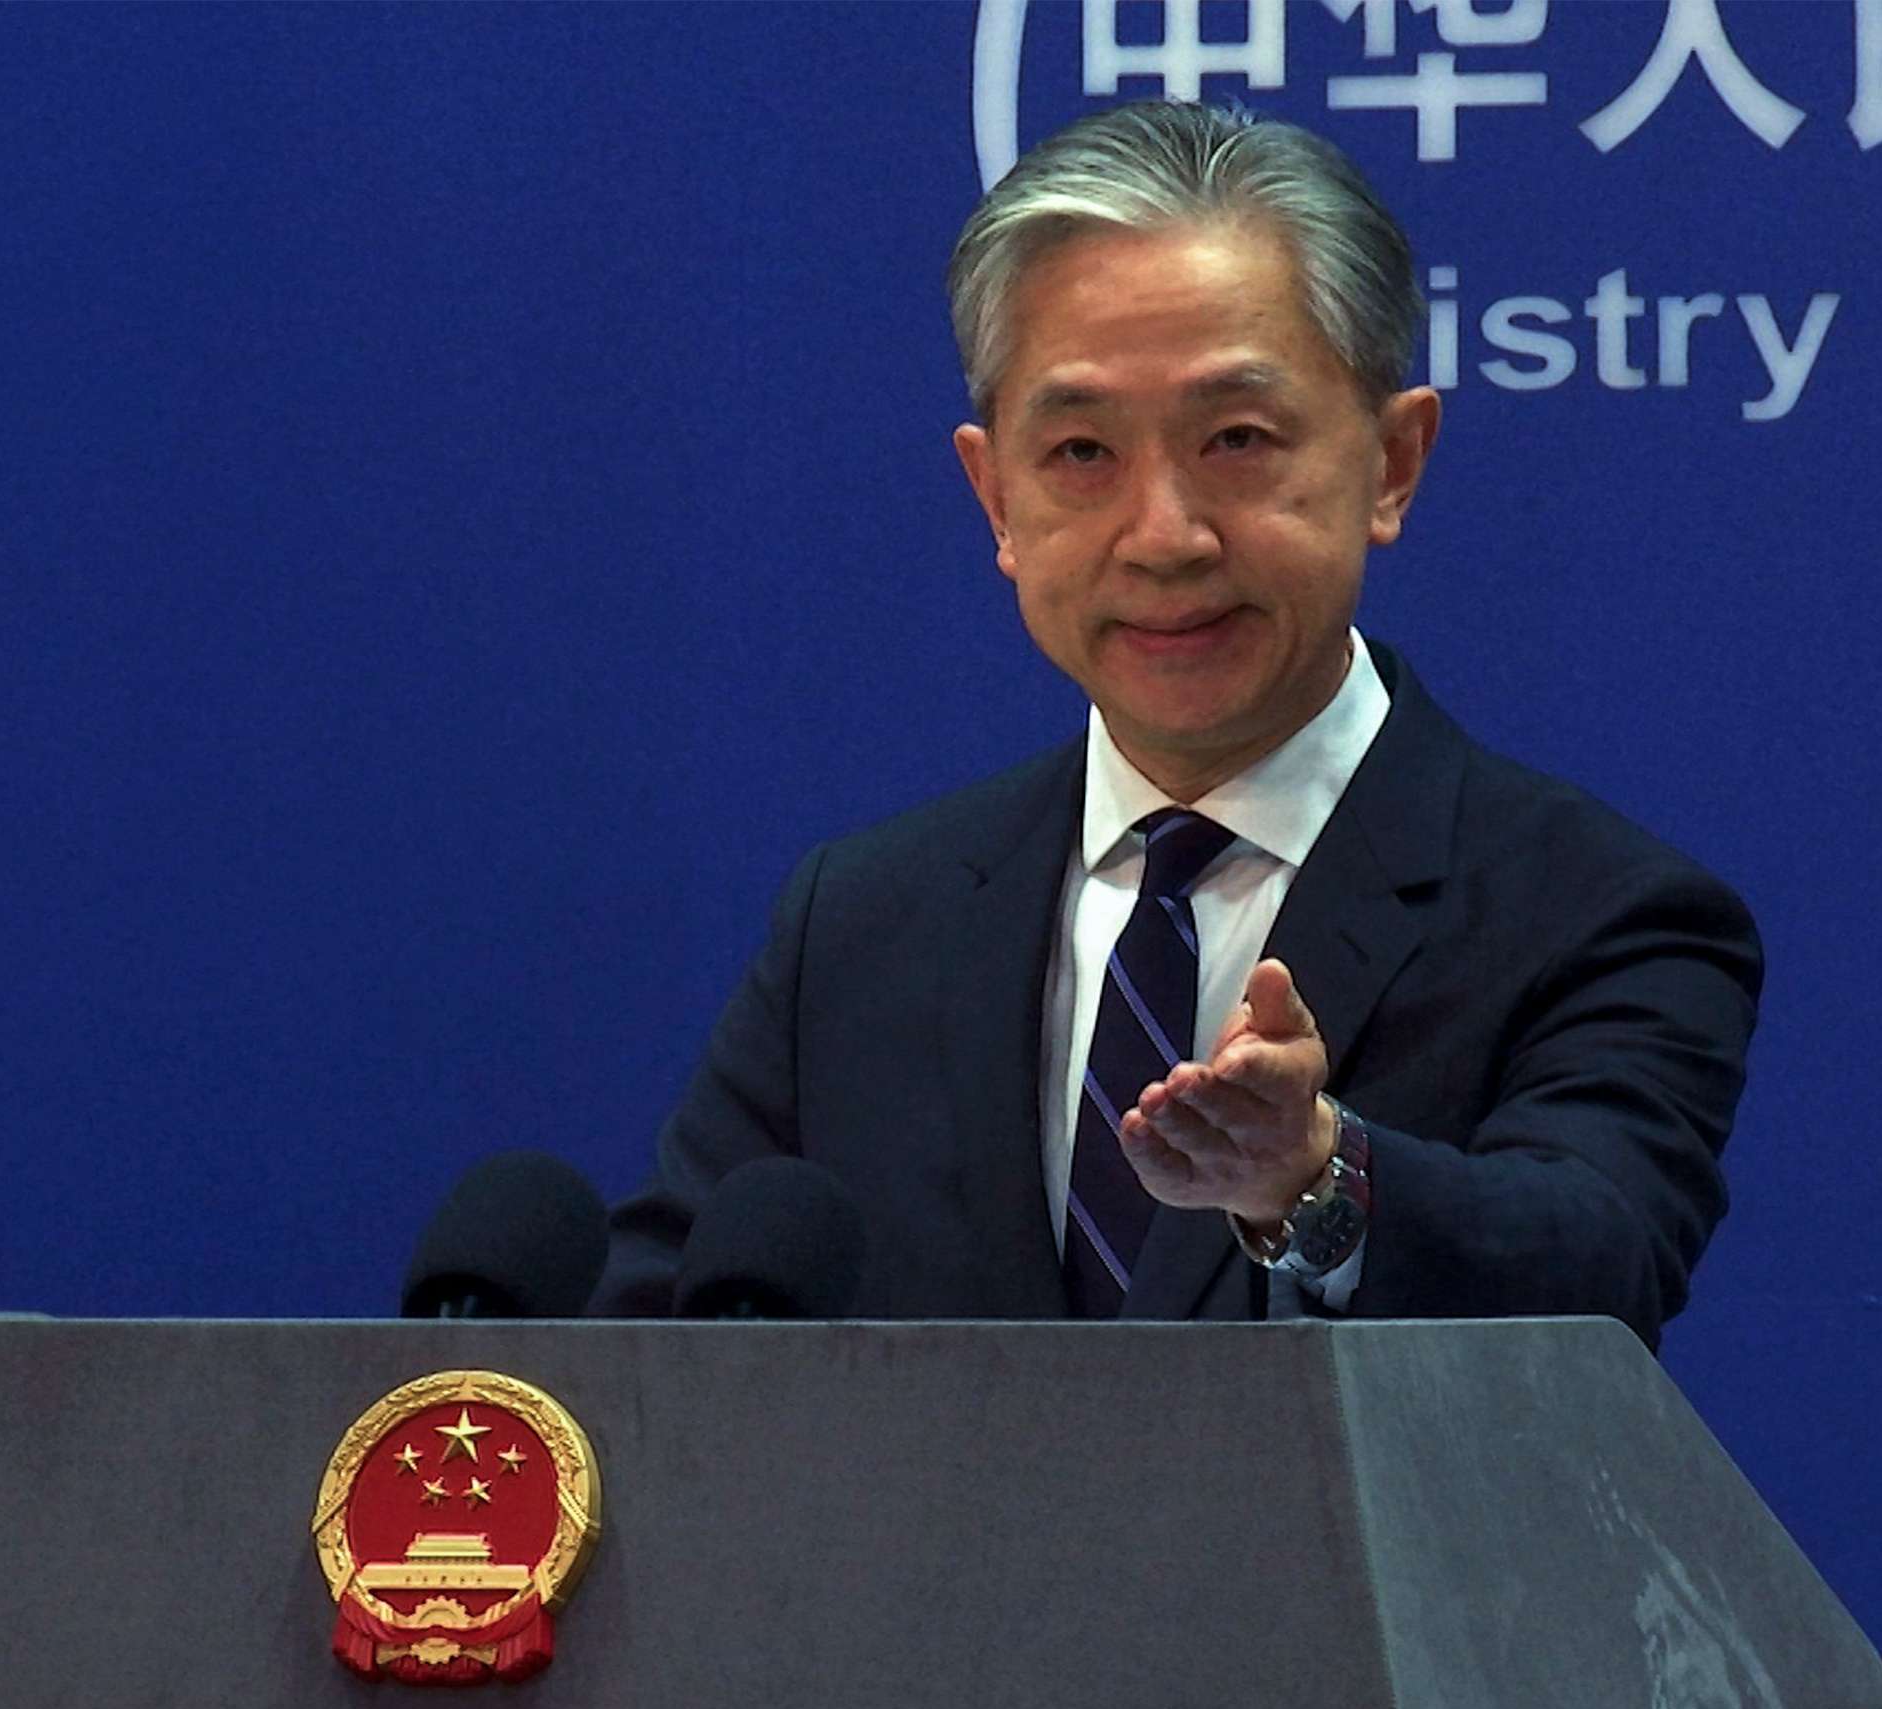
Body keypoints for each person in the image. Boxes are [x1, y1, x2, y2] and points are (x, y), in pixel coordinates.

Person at [590, 101, 1761, 1348]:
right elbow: (665, 1351)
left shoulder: (1598, 910)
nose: (1163, 535)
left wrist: (1316, 1179)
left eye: (1237, 440)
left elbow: (1596, 1271)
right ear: (995, 496)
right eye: (1082, 452)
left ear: (1393, 462)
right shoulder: (864, 924)